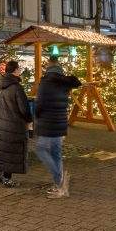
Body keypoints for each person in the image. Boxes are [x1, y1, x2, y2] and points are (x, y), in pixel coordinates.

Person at [33, 57, 81, 198]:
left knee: (40, 149)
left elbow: (39, 104)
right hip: (60, 123)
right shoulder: (64, 83)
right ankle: (59, 187)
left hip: (47, 123)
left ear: (48, 67)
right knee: (56, 153)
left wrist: (35, 120)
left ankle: (60, 181)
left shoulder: (45, 82)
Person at [0, 61, 33, 188]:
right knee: (11, 150)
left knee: (2, 148)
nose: (20, 70)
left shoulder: (0, 84)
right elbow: (24, 108)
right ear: (15, 71)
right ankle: (7, 178)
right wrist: (29, 120)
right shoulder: (16, 87)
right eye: (19, 69)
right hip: (13, 124)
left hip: (1, 121)